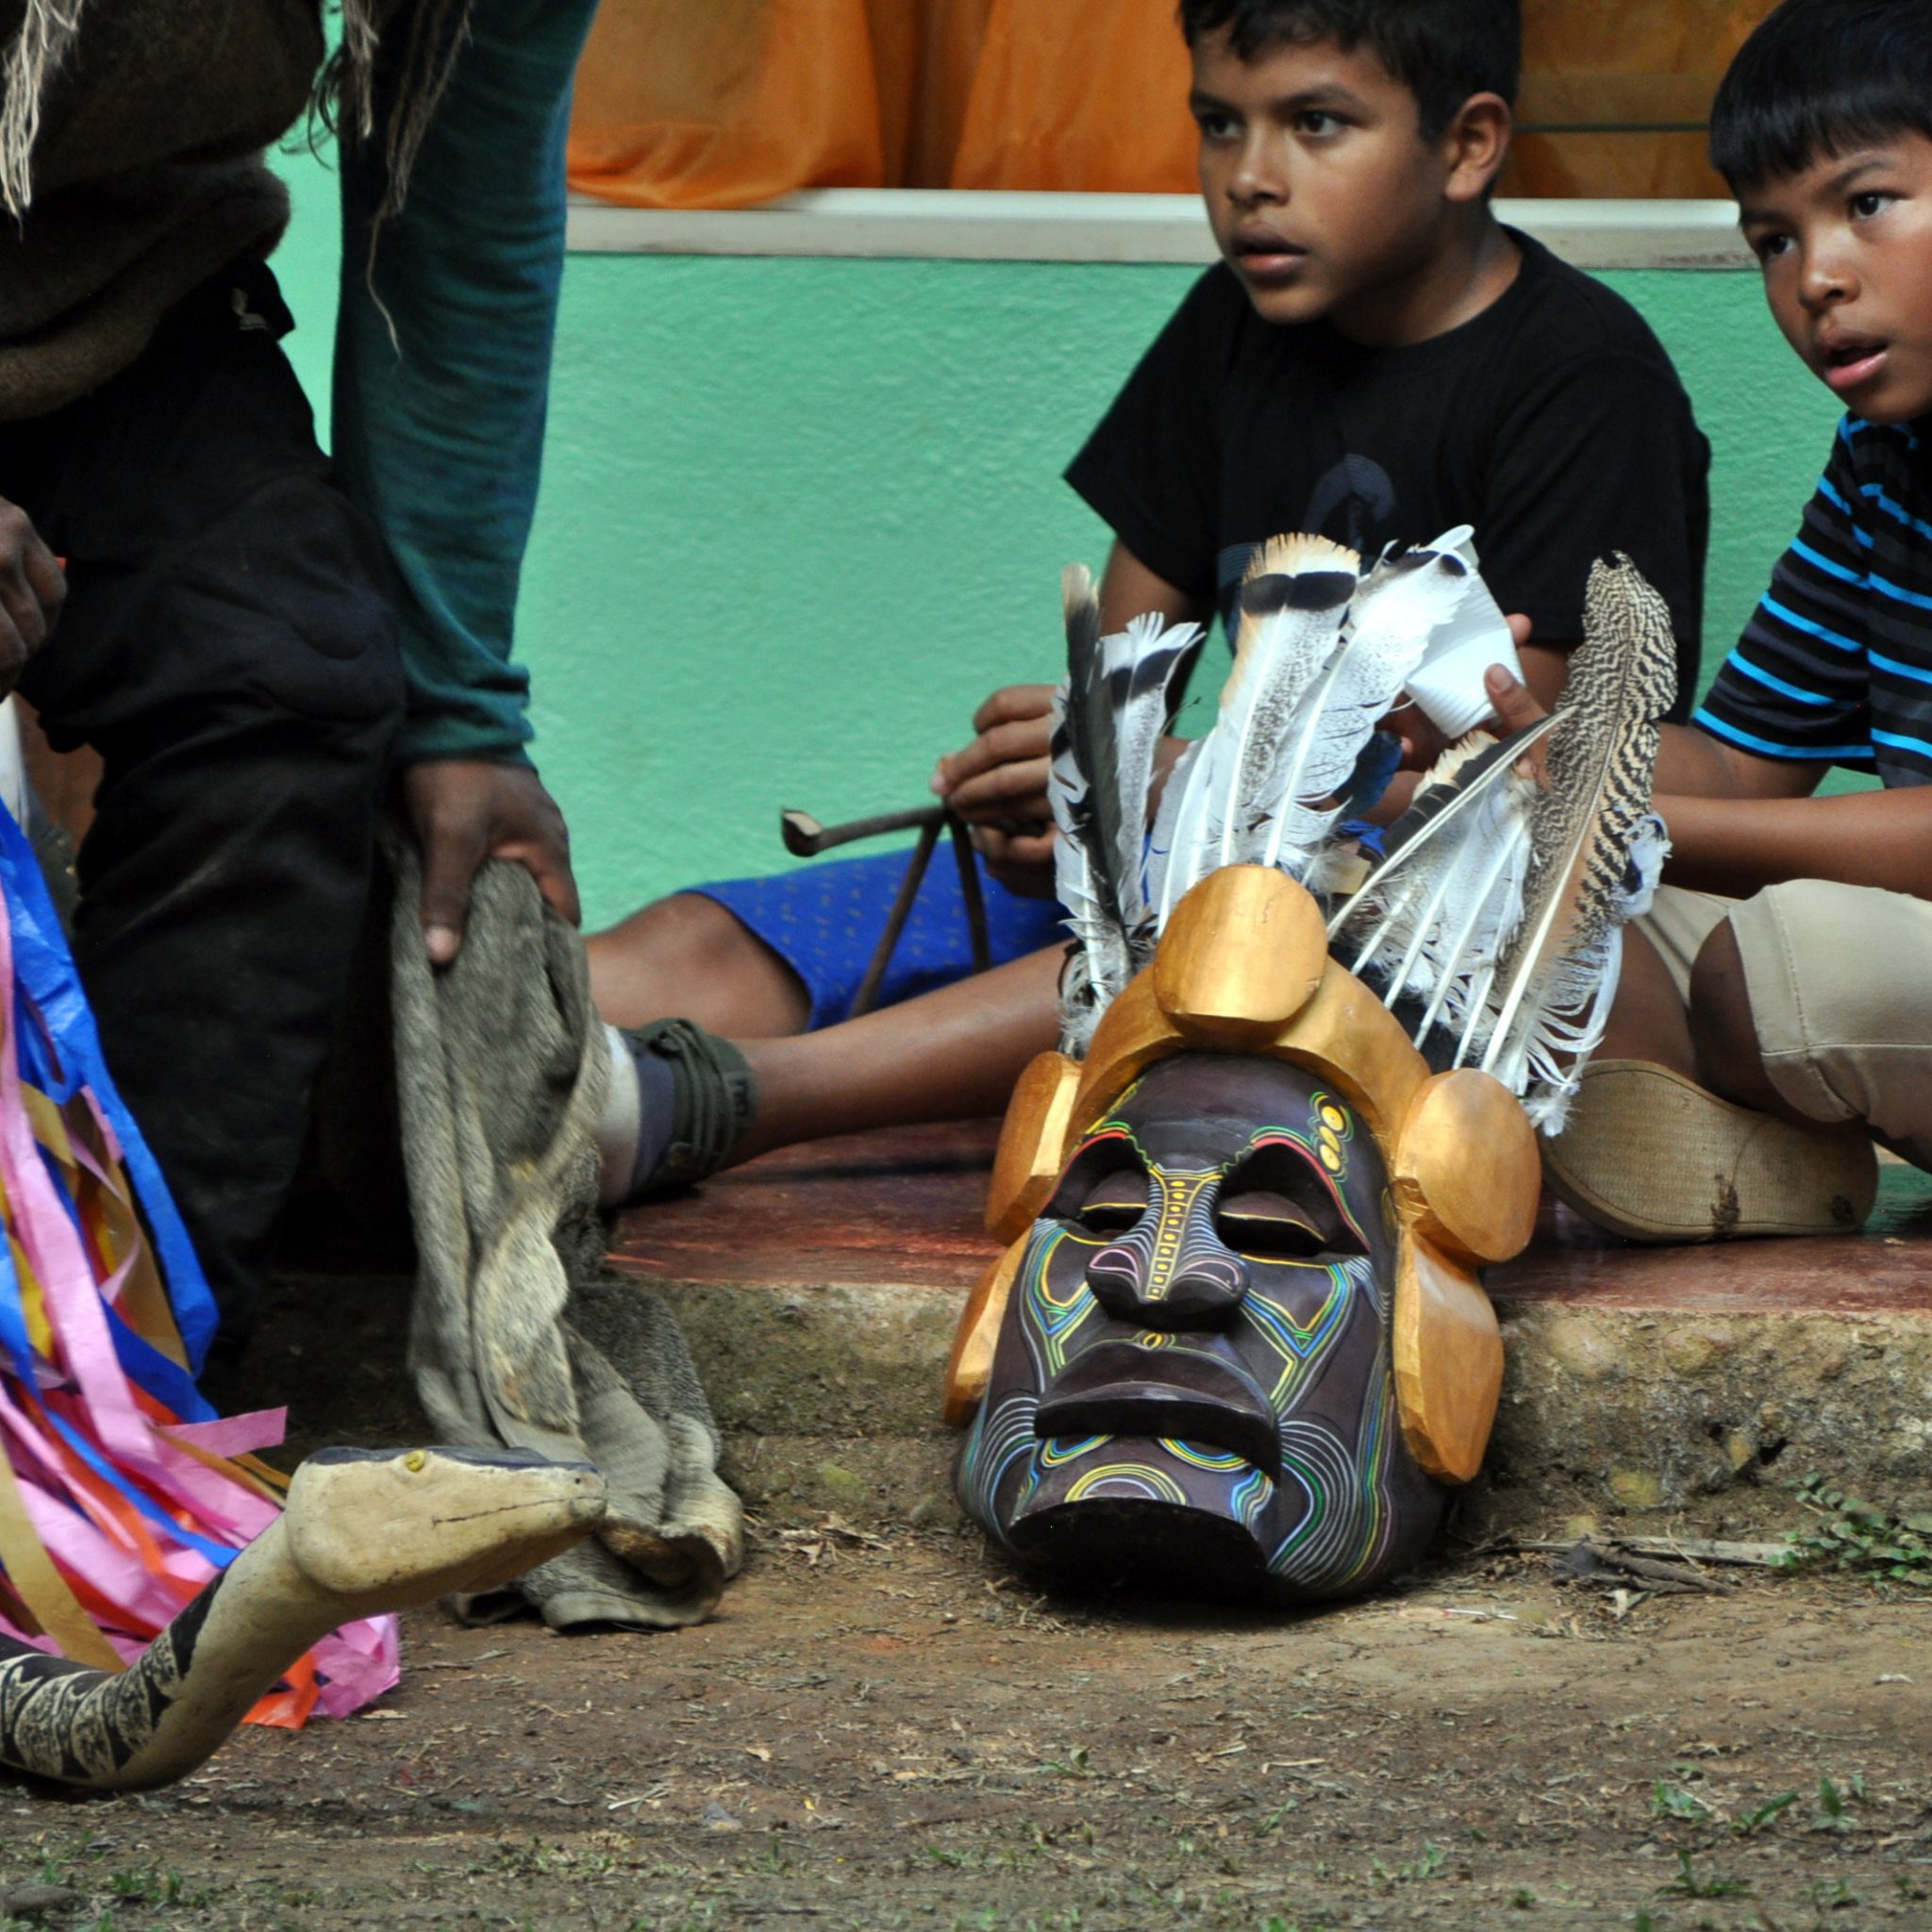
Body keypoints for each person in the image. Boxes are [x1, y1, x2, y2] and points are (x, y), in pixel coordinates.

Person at [590, 0, 1712, 1206]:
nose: (1249, 179)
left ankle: (714, 1102)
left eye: (1315, 125)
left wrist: (1182, 788)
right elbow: (1119, 682)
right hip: (1187, 876)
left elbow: (1517, 808)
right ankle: (441, 1051)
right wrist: (1066, 799)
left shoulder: (1583, 381)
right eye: (1217, 126)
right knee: (687, 951)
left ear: (1467, 144)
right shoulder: (1226, 332)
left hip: (1410, 928)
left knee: (1237, 933)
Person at [0, 0, 591, 1353]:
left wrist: (457, 712)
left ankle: (125, 1429)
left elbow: (461, 200)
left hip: (117, 278)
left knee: (288, 672)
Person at [1497, 0, 1932, 1242]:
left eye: (1867, 204)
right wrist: (1545, 757)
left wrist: (1636, 821)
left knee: (1781, 961)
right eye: (1772, 240)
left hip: (1866, 948)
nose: (1819, 277)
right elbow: (1745, 758)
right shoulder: (1880, 463)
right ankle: (1754, 1167)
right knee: (1529, 885)